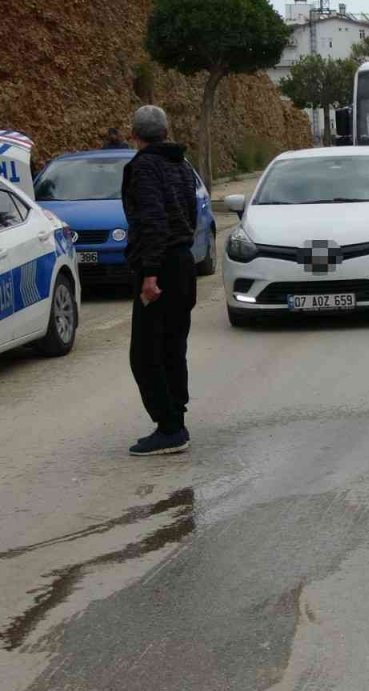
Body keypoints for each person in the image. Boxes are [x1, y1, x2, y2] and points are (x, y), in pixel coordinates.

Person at [121, 105, 198, 456]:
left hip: (160, 268)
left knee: (145, 354)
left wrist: (150, 274)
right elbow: (191, 214)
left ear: (135, 136)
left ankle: (168, 428)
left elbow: (152, 220)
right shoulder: (180, 164)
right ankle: (175, 420)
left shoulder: (143, 167)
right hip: (182, 262)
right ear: (165, 131)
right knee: (172, 347)